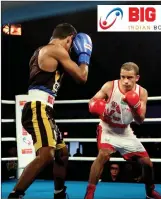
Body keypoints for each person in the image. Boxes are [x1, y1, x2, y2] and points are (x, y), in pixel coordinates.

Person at [8, 23, 92, 199]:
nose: (71, 49)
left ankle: (59, 193)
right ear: (69, 39)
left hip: (43, 108)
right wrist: (84, 55)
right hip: (38, 107)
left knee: (62, 153)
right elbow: (82, 77)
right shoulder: (56, 50)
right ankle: (15, 195)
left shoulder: (40, 50)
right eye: (71, 44)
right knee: (46, 155)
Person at [84, 62, 161, 199]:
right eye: (123, 77)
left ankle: (150, 192)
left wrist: (133, 105)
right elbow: (92, 101)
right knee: (103, 155)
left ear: (137, 78)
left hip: (125, 131)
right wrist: (96, 106)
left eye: (130, 77)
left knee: (147, 164)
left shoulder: (142, 92)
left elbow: (140, 120)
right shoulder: (110, 86)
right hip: (107, 128)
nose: (126, 81)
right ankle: (89, 193)